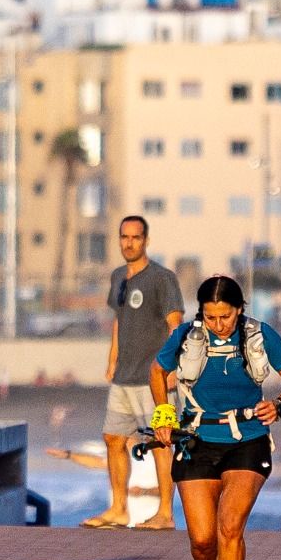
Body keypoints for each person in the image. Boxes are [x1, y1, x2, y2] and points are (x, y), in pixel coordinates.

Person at [151, 274, 281, 560]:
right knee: (203, 540)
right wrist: (162, 411)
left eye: (226, 317)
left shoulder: (259, 333)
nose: (219, 325)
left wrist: (280, 405)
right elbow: (158, 369)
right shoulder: (187, 336)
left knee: (230, 526)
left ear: (239, 310)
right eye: (211, 317)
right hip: (196, 438)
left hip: (247, 438)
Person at [81, 215, 184, 529]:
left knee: (161, 442)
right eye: (124, 237)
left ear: (146, 240)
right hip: (124, 377)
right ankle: (118, 508)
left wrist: (171, 369)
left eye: (136, 237)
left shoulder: (162, 278)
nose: (129, 243)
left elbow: (175, 326)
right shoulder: (118, 278)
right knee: (113, 438)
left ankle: (165, 513)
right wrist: (112, 359)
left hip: (153, 378)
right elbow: (119, 321)